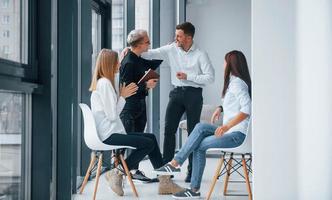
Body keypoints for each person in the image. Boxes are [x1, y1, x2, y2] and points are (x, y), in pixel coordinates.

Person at [154, 50, 252, 199]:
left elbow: (247, 109)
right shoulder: (234, 82)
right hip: (229, 132)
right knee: (199, 127)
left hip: (236, 135)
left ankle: (190, 185)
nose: (223, 64)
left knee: (198, 145)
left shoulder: (238, 83)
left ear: (232, 64)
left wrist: (226, 127)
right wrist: (221, 108)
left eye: (225, 61)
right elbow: (236, 104)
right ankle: (176, 165)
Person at [140, 22, 215, 182]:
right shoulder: (172, 48)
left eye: (179, 36)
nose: (176, 38)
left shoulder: (201, 54)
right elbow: (151, 53)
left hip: (194, 94)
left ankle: (192, 172)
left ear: (188, 38)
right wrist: (133, 51)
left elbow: (210, 77)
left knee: (193, 133)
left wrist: (189, 77)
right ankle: (167, 173)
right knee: (168, 130)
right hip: (176, 93)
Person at [89, 49, 167, 196]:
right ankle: (117, 172)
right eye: (117, 62)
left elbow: (111, 112)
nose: (120, 64)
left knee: (151, 137)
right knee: (148, 143)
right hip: (109, 135)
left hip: (111, 132)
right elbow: (112, 116)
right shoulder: (105, 84)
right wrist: (123, 97)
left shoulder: (104, 82)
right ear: (109, 64)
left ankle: (165, 180)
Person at [119, 29, 163, 182]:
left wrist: (171, 49)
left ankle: (155, 174)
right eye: (147, 42)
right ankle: (120, 171)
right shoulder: (128, 62)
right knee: (135, 143)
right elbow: (126, 90)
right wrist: (146, 85)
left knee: (140, 141)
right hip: (129, 109)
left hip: (139, 108)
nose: (149, 44)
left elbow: (154, 62)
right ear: (137, 44)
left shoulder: (137, 58)